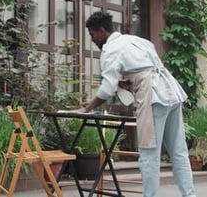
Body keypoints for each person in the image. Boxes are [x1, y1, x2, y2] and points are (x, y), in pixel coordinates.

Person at [79, 11, 196, 197]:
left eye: (93, 34)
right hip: (171, 90)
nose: (93, 39)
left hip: (153, 95)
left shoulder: (111, 49)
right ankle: (189, 195)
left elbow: (107, 89)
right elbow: (146, 68)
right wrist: (128, 80)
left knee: (149, 153)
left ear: (102, 31)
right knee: (179, 151)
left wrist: (87, 107)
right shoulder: (137, 40)